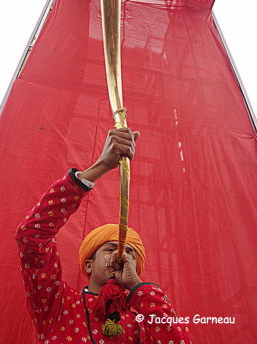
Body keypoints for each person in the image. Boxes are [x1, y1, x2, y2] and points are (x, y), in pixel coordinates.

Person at [15, 128, 192, 344]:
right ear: (88, 265)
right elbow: (32, 236)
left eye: (130, 253)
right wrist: (102, 166)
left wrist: (136, 286)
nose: (121, 255)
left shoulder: (144, 321)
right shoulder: (57, 305)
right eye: (110, 248)